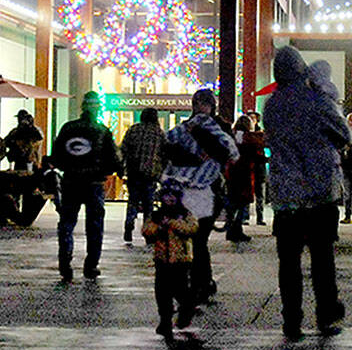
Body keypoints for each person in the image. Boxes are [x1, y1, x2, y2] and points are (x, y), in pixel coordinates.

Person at [264, 45, 352, 339]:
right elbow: (345, 134)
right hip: (318, 194)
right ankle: (326, 314)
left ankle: (292, 319)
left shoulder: (271, 105)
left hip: (286, 197)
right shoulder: (317, 101)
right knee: (322, 260)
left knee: (288, 263)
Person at [157, 89, 239, 304]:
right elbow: (167, 149)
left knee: (197, 240)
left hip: (207, 191)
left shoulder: (215, 127)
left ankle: (199, 284)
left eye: (205, 104)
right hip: (187, 190)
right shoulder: (184, 128)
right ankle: (197, 284)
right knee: (190, 239)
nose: (201, 108)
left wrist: (198, 137)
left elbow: (226, 153)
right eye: (198, 103)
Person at [49, 91, 122, 283]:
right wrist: (108, 171)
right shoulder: (102, 130)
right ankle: (91, 265)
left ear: (82, 107)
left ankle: (65, 263)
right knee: (95, 225)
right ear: (97, 108)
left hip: (71, 181)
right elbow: (114, 160)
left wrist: (68, 167)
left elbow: (56, 156)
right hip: (94, 183)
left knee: (66, 223)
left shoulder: (68, 128)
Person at [141, 185, 200, 340]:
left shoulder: (185, 214)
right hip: (162, 261)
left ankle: (186, 311)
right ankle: (165, 321)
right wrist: (160, 227)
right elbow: (147, 230)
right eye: (166, 196)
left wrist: (173, 224)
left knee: (181, 291)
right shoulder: (157, 215)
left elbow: (192, 228)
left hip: (181, 261)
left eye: (173, 195)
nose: (170, 199)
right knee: (162, 294)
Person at [120, 108, 166, 244]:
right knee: (148, 205)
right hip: (150, 174)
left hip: (134, 173)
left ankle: (129, 226)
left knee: (132, 201)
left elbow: (123, 149)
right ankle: (148, 233)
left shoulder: (133, 130)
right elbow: (164, 154)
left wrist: (121, 168)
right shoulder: (159, 133)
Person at [225, 115, 264, 243]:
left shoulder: (232, 135)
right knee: (242, 203)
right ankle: (237, 228)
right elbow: (255, 155)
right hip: (245, 173)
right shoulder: (249, 138)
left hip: (232, 173)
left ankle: (231, 228)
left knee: (233, 203)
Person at [249, 112, 268, 226]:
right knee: (249, 193)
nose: (252, 120)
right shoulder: (248, 135)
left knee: (260, 194)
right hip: (251, 168)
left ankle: (260, 217)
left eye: (253, 118)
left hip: (258, 168)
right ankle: (246, 217)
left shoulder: (261, 134)